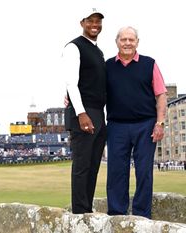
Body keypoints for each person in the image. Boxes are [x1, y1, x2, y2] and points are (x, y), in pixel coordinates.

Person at [105, 26, 167, 219]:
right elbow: (92, 89)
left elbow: (161, 95)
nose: (127, 43)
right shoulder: (107, 66)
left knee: (144, 172)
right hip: (116, 126)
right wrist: (69, 95)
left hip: (146, 125)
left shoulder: (149, 64)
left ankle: (141, 215)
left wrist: (160, 123)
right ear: (117, 42)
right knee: (116, 171)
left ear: (137, 42)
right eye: (123, 39)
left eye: (131, 40)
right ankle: (117, 213)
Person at [61, 8, 107, 214]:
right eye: (90, 20)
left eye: (98, 21)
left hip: (98, 112)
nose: (95, 24)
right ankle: (79, 212)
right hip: (84, 113)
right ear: (82, 23)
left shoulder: (97, 51)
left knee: (93, 165)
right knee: (82, 166)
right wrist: (81, 113)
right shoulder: (74, 47)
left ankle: (86, 209)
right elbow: (72, 83)